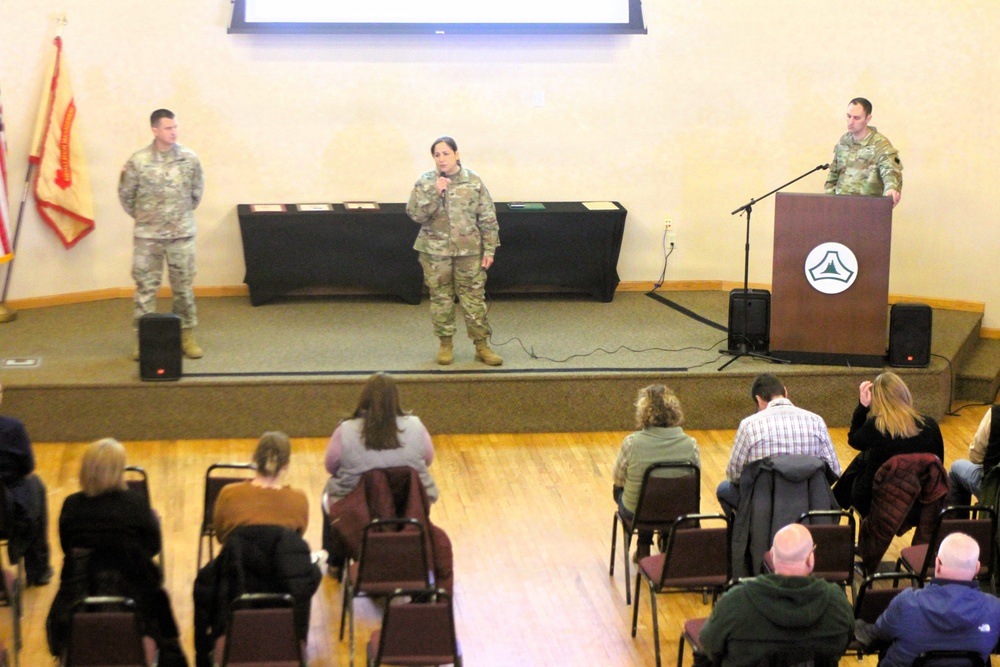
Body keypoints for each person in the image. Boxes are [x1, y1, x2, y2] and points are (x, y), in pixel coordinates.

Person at [47, 438, 186, 665]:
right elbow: (153, 547)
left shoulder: (71, 505)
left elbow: (67, 548)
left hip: (80, 601)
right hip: (132, 599)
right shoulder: (135, 503)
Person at [322, 372, 438, 570]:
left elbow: (331, 466)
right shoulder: (416, 426)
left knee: (327, 496)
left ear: (364, 398)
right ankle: (411, 545)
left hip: (359, 506)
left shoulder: (346, 429)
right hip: (407, 502)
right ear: (396, 399)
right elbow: (427, 460)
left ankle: (336, 562)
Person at [697, 523, 854, 667]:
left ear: (772, 556)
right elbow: (844, 643)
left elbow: (710, 647)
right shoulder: (837, 603)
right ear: (810, 559)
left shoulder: (735, 602)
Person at [406, 136, 502, 366]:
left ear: (456, 154)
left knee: (474, 299)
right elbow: (415, 214)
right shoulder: (426, 182)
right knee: (441, 298)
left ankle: (482, 346)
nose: (441, 159)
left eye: (445, 154)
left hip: (469, 251)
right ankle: (445, 344)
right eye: (437, 155)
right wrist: (434, 193)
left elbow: (488, 217)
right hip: (435, 252)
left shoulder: (473, 181)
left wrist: (489, 249)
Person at [119, 108, 205, 361]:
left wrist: (178, 217)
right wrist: (148, 218)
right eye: (168, 128)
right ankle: (143, 340)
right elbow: (126, 195)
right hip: (149, 237)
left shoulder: (189, 158)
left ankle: (186, 336)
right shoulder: (138, 161)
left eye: (175, 126)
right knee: (146, 288)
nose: (174, 131)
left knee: (184, 288)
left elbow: (196, 193)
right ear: (155, 130)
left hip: (182, 234)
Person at [854, 533, 1000, 667]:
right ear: (977, 568)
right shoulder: (995, 609)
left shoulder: (907, 603)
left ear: (937, 564)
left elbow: (878, 634)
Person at [716, 374, 841, 515]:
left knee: (724, 489)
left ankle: (747, 534)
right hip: (807, 504)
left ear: (758, 399)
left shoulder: (749, 426)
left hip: (763, 507)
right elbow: (835, 470)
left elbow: (735, 475)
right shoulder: (817, 421)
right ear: (786, 393)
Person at [832, 372, 944, 517]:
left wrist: (862, 407)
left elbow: (854, 440)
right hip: (921, 501)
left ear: (877, 400)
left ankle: (835, 502)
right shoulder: (930, 425)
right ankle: (836, 500)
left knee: (862, 459)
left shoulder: (876, 427)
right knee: (863, 458)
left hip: (879, 500)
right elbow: (938, 464)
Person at [611, 384, 699, 562]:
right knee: (667, 493)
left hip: (637, 513)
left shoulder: (631, 443)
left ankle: (643, 545)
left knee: (626, 491)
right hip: (678, 511)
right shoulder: (691, 445)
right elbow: (694, 483)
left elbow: (618, 479)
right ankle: (667, 541)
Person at [212, 431, 309, 545]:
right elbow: (297, 539)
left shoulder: (229, 494)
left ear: (255, 459)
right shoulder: (299, 500)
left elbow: (220, 537)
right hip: (280, 562)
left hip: (238, 562)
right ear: (286, 465)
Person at [0, 381, 52, 586]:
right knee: (35, 487)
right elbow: (27, 467)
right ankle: (38, 570)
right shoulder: (12, 428)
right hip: (6, 517)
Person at [824, 97, 903, 208]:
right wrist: (829, 200)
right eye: (848, 116)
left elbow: (891, 171)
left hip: (867, 209)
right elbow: (834, 173)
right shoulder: (844, 141)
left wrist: (892, 188)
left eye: (856, 118)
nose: (851, 122)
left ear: (868, 118)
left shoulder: (880, 144)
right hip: (840, 208)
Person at [948, 404, 1000, 506]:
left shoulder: (995, 413)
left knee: (956, 467)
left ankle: (960, 522)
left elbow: (976, 457)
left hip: (995, 492)